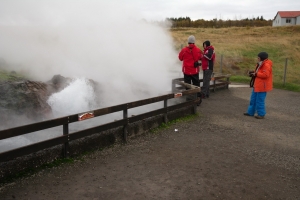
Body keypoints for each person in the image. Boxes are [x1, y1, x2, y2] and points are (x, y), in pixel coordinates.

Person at [244, 52, 273, 119]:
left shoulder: (266, 65)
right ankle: (250, 112)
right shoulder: (261, 64)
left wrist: (256, 74)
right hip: (257, 84)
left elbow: (266, 75)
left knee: (259, 100)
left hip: (262, 86)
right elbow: (259, 72)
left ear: (261, 58)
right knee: (253, 99)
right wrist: (253, 73)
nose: (257, 58)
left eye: (258, 57)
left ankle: (261, 114)